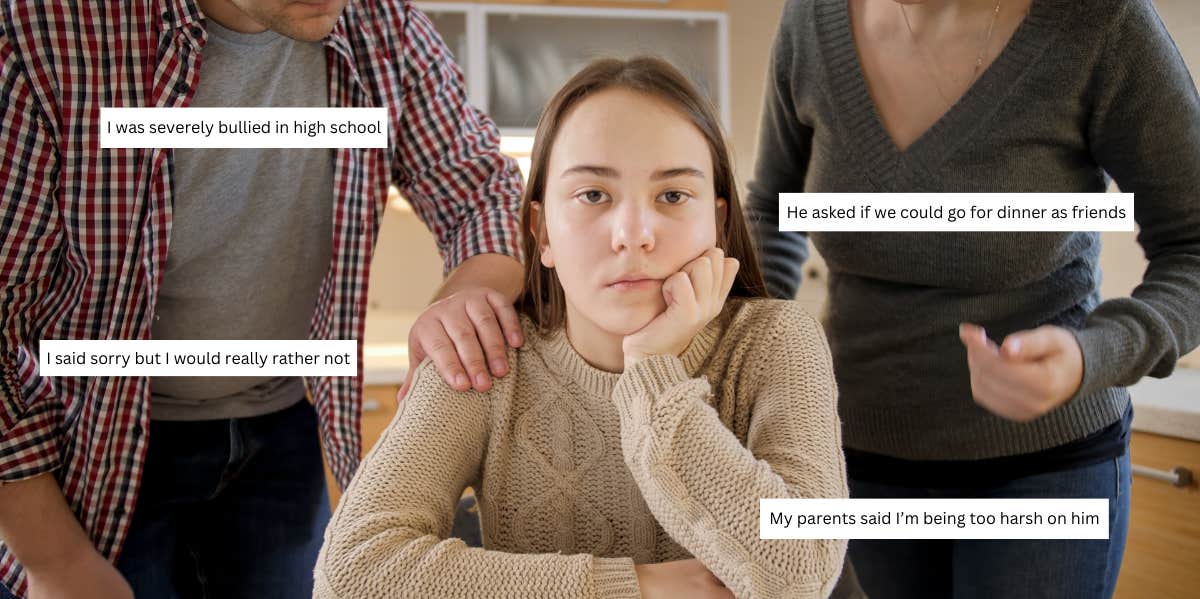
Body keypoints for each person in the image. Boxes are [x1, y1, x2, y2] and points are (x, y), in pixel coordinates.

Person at [0, 0, 528, 597]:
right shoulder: (49, 32)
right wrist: (53, 560)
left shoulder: (384, 25)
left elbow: (480, 190)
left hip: (279, 431)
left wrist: (465, 299)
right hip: (88, 449)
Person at [314, 56, 850, 599]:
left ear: (718, 221)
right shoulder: (486, 353)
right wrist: (641, 589)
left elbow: (800, 573)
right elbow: (351, 573)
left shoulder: (776, 340)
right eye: (594, 195)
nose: (633, 235)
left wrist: (654, 375)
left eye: (672, 196)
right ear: (541, 233)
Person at [746, 0, 1200, 597]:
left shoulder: (1102, 23)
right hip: (851, 454)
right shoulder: (811, 19)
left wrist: (1093, 354)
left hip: (1048, 464)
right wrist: (744, 355)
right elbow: (771, 215)